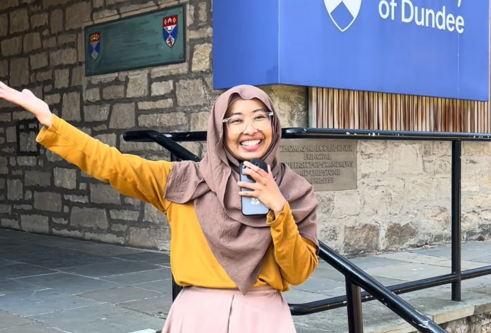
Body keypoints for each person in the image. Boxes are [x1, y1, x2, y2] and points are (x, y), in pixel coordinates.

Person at [0, 82, 319, 332]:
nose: (249, 129)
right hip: (196, 317)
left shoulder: (294, 191)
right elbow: (111, 164)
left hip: (262, 320)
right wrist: (49, 120)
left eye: (260, 117)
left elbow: (299, 271)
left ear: (274, 125)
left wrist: (279, 209)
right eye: (235, 120)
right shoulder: (181, 181)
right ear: (220, 131)